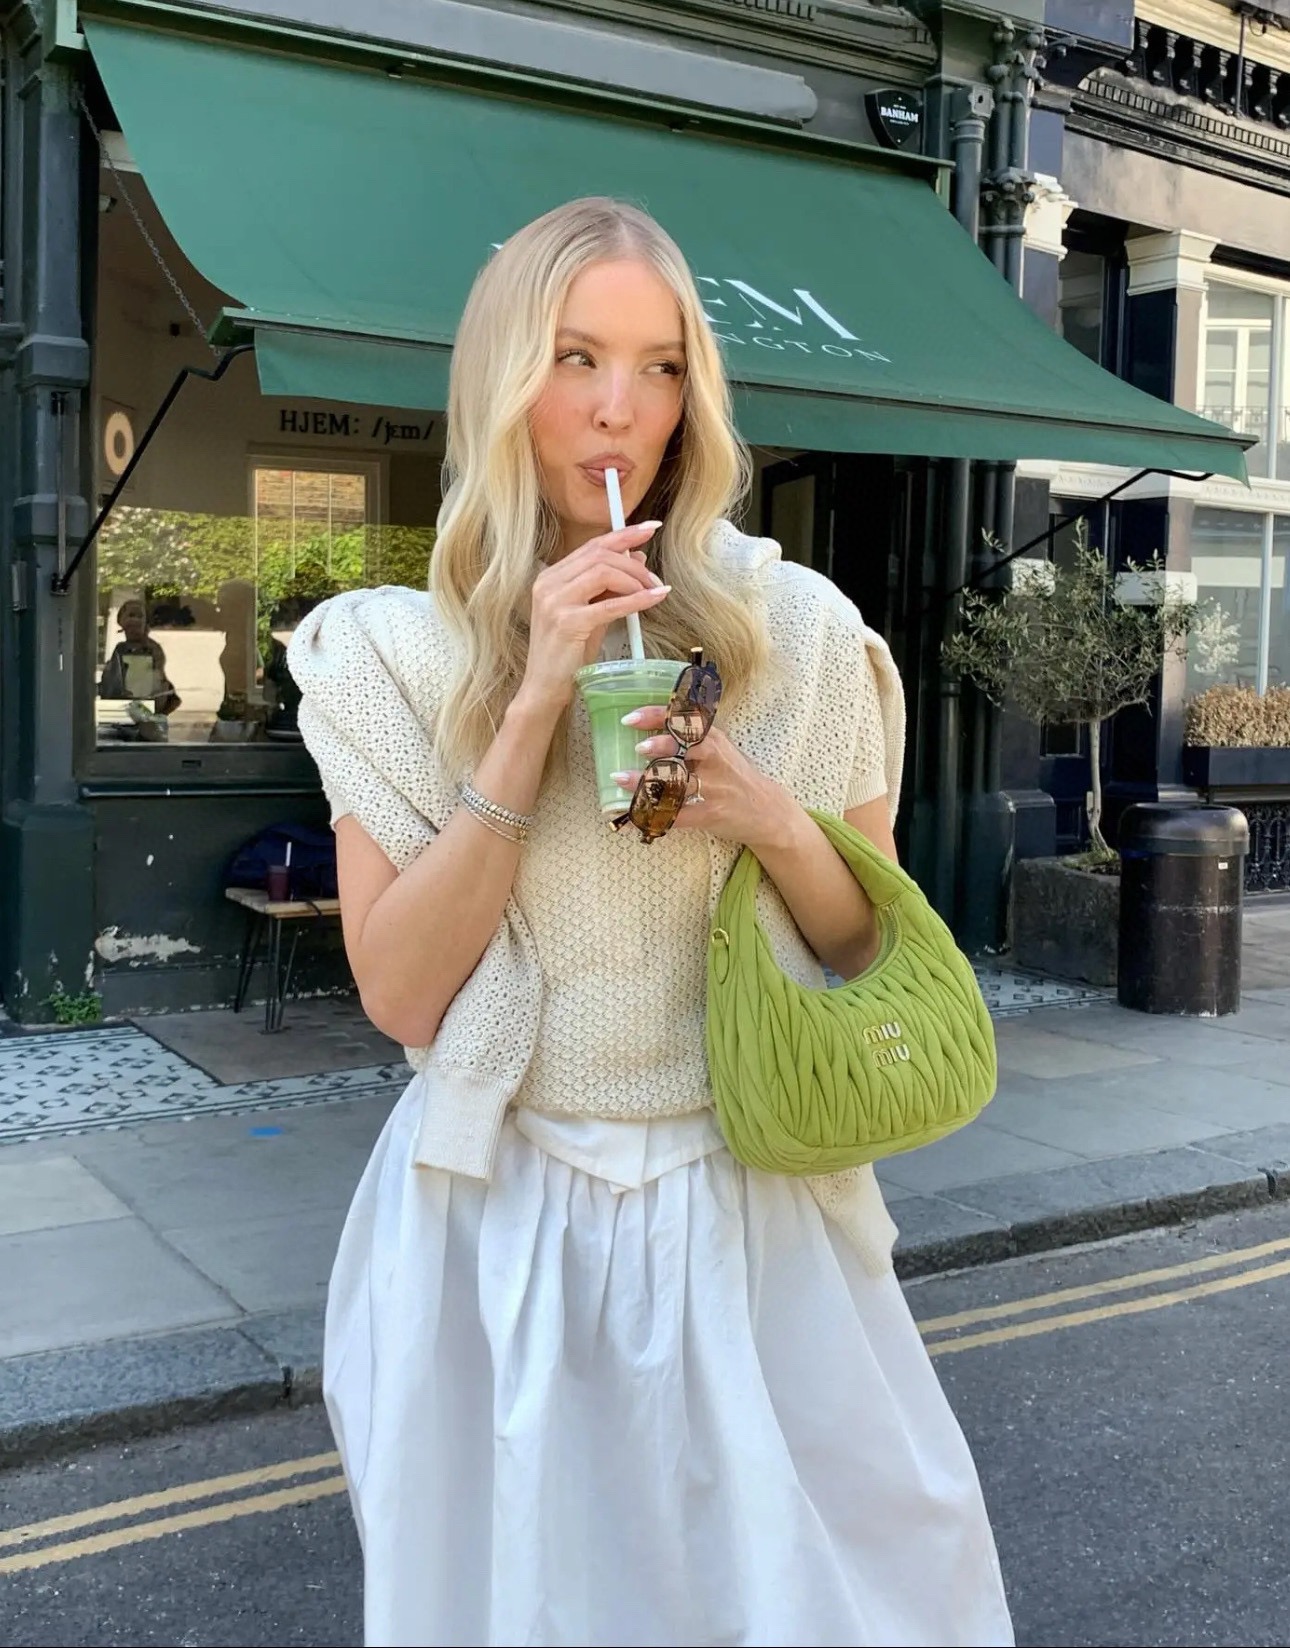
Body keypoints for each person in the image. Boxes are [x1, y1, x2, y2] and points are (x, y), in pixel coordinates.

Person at [289, 197, 1013, 1648]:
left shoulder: (799, 632)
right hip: (501, 1220)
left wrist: (765, 815)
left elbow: (870, 949)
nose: (621, 407)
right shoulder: (391, 653)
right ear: (502, 378)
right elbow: (403, 998)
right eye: (575, 357)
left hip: (754, 1211)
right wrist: (531, 707)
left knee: (839, 1603)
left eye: (662, 365)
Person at [98, 597, 181, 715]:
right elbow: (114, 681)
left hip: (142, 711)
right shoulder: (121, 649)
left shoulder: (149, 649)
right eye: (131, 615)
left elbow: (144, 688)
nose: (135, 621)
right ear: (121, 622)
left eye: (139, 616)